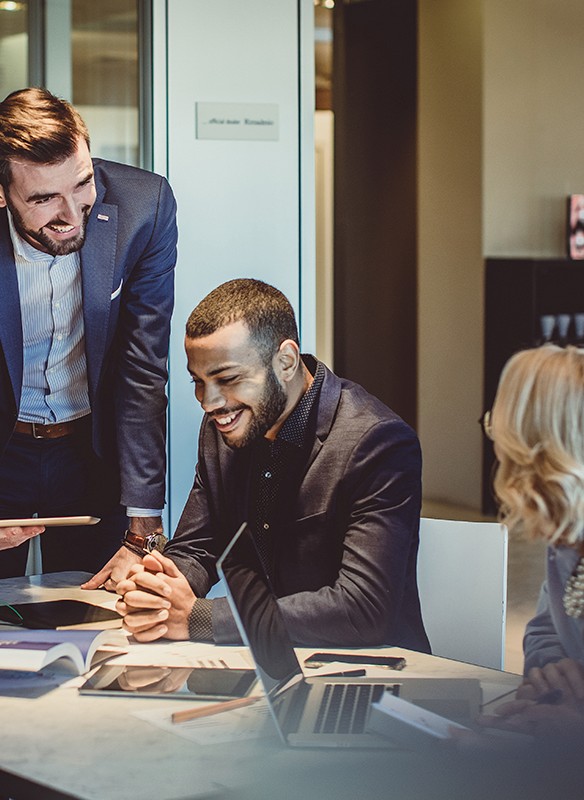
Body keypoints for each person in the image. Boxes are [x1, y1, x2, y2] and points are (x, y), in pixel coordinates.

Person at [116, 278, 430, 649]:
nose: (209, 401)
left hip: (373, 676)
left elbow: (362, 609)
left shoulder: (378, 443)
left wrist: (198, 618)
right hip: (269, 670)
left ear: (286, 361)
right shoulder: (224, 428)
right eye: (198, 381)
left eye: (227, 378)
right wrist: (161, 589)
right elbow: (196, 548)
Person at [0, 88, 177, 587]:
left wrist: (144, 523)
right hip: (4, 443)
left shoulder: (146, 207)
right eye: (43, 199)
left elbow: (143, 369)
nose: (73, 215)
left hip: (89, 451)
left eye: (80, 184)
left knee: (99, 618)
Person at [479, 344, 584, 739]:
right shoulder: (566, 540)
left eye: (498, 423)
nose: (494, 436)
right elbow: (544, 632)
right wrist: (556, 679)